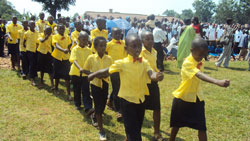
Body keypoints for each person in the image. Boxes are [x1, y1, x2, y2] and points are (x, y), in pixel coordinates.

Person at [88, 34, 164, 141]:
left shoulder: (144, 62)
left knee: (136, 128)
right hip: (127, 102)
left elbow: (151, 74)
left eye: (139, 46)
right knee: (135, 135)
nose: (137, 49)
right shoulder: (121, 63)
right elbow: (107, 70)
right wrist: (93, 74)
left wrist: (157, 76)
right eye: (133, 46)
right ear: (126, 48)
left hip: (141, 100)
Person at [170, 37, 230, 141]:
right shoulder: (187, 63)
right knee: (176, 124)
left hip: (197, 97)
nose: (201, 57)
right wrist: (217, 81)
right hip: (183, 97)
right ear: (192, 50)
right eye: (199, 54)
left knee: (201, 126)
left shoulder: (200, 59)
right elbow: (199, 75)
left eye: (204, 55)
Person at [83, 37, 113, 141]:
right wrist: (94, 75)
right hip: (95, 85)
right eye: (100, 46)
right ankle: (101, 130)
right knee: (99, 108)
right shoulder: (91, 58)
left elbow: (111, 70)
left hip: (105, 84)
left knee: (102, 105)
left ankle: (91, 111)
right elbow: (84, 70)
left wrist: (105, 75)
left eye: (104, 45)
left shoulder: (109, 58)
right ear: (95, 47)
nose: (103, 48)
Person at [140, 31, 164, 140]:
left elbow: (153, 67)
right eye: (147, 39)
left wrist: (158, 73)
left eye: (152, 39)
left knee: (157, 108)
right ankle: (135, 131)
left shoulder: (154, 51)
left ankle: (156, 132)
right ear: (142, 41)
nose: (150, 41)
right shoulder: (140, 52)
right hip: (143, 84)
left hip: (153, 83)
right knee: (140, 109)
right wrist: (154, 75)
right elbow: (145, 68)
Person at [69, 31, 94, 115]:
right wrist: (80, 68)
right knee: (77, 89)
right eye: (83, 40)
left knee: (86, 90)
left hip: (85, 74)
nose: (85, 42)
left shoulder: (89, 50)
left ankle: (88, 107)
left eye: (87, 40)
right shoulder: (74, 49)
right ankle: (77, 103)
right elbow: (74, 60)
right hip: (75, 73)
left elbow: (91, 60)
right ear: (79, 39)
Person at [106, 27, 127, 121]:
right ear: (111, 35)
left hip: (123, 69)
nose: (118, 35)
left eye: (119, 34)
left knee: (119, 87)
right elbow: (104, 53)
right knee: (117, 89)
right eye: (116, 34)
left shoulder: (124, 43)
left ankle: (110, 101)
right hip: (113, 69)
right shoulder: (109, 44)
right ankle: (118, 110)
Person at [51, 24, 72, 100]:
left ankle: (69, 93)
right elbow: (56, 45)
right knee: (57, 74)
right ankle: (56, 88)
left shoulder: (67, 36)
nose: (61, 30)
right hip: (57, 57)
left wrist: (68, 48)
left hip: (66, 58)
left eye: (63, 29)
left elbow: (70, 43)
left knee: (67, 76)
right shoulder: (55, 36)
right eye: (60, 29)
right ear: (57, 29)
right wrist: (63, 50)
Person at [23, 21, 39, 86]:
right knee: (31, 63)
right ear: (29, 25)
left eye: (33, 24)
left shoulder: (37, 33)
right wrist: (25, 46)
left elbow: (38, 41)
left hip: (36, 50)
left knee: (35, 63)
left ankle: (34, 74)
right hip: (29, 50)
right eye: (31, 24)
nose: (32, 25)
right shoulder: (26, 33)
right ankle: (32, 78)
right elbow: (24, 41)